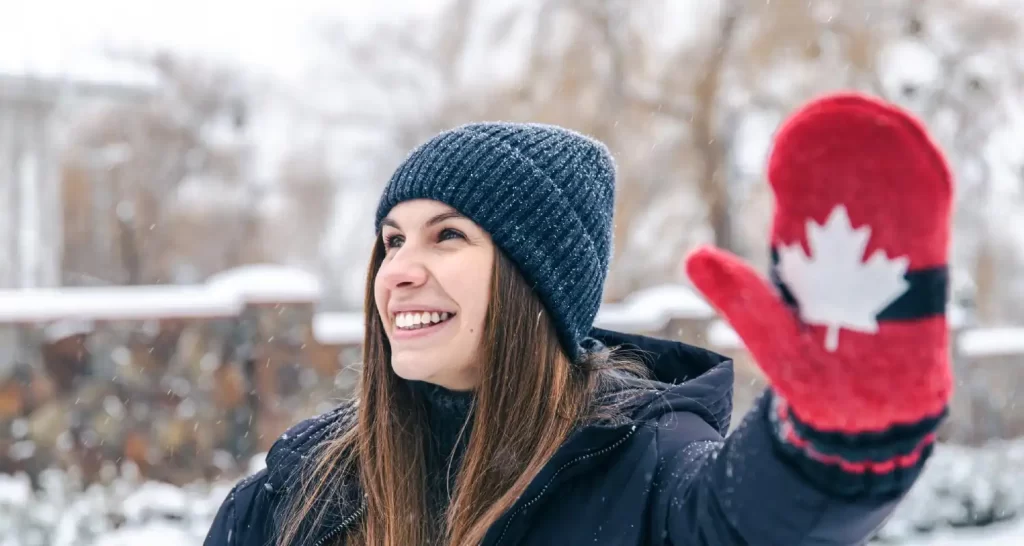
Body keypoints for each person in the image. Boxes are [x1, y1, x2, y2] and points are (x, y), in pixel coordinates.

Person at [204, 92, 954, 546]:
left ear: (537, 284)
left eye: (448, 236)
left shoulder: (648, 471)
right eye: (393, 239)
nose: (397, 269)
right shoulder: (302, 486)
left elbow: (758, 520)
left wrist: (836, 443)